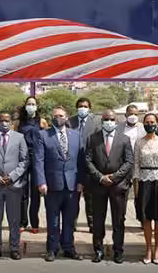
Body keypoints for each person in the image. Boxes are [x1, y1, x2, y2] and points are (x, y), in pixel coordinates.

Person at [35, 106, 85, 262]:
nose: (58, 118)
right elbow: (38, 160)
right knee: (53, 220)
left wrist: (81, 181)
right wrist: (41, 181)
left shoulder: (76, 135)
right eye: (55, 115)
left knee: (70, 219)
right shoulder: (43, 135)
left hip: (72, 185)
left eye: (61, 115)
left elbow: (81, 161)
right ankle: (52, 249)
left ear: (67, 117)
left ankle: (69, 247)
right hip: (51, 185)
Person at [86, 110, 134, 264]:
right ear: (102, 121)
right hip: (98, 185)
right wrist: (100, 177)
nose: (109, 122)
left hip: (117, 186)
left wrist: (114, 177)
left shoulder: (124, 139)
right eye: (106, 119)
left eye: (112, 119)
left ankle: (118, 251)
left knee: (118, 220)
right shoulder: (93, 138)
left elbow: (129, 162)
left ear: (116, 120)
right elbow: (88, 160)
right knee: (98, 220)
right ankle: (98, 250)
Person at [0, 111, 29, 261]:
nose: (4, 123)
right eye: (1, 121)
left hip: (13, 185)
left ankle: (14, 248)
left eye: (7, 121)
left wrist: (13, 176)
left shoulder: (19, 138)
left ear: (11, 122)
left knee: (14, 219)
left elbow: (25, 160)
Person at [133, 113, 158, 265]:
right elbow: (136, 164)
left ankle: (157, 249)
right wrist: (136, 184)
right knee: (146, 217)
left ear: (157, 124)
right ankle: (148, 248)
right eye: (147, 122)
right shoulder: (138, 142)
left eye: (152, 121)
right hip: (144, 181)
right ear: (143, 124)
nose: (149, 124)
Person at [17, 96, 48, 234]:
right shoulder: (19, 123)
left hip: (37, 158)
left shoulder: (42, 122)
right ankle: (22, 222)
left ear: (37, 106)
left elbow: (47, 139)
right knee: (23, 193)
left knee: (35, 192)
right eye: (29, 104)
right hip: (22, 158)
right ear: (25, 106)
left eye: (33, 104)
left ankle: (34, 223)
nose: (31, 106)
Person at [69, 97, 100, 233]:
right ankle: (72, 222)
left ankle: (92, 224)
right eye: (80, 106)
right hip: (73, 164)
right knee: (73, 196)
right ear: (77, 107)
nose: (83, 108)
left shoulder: (96, 122)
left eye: (85, 106)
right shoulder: (70, 122)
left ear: (89, 108)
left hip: (90, 164)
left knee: (91, 198)